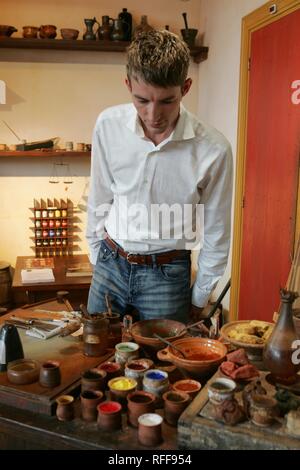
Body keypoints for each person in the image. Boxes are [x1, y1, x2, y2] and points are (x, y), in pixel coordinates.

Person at [86, 30, 232, 324]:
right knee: (94, 361)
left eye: (167, 101)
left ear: (186, 88)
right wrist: (95, 257)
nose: (153, 115)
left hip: (167, 275)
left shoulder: (213, 149)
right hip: (110, 263)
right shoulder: (108, 125)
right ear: (128, 85)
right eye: (142, 100)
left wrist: (200, 295)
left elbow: (217, 232)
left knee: (163, 365)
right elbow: (100, 195)